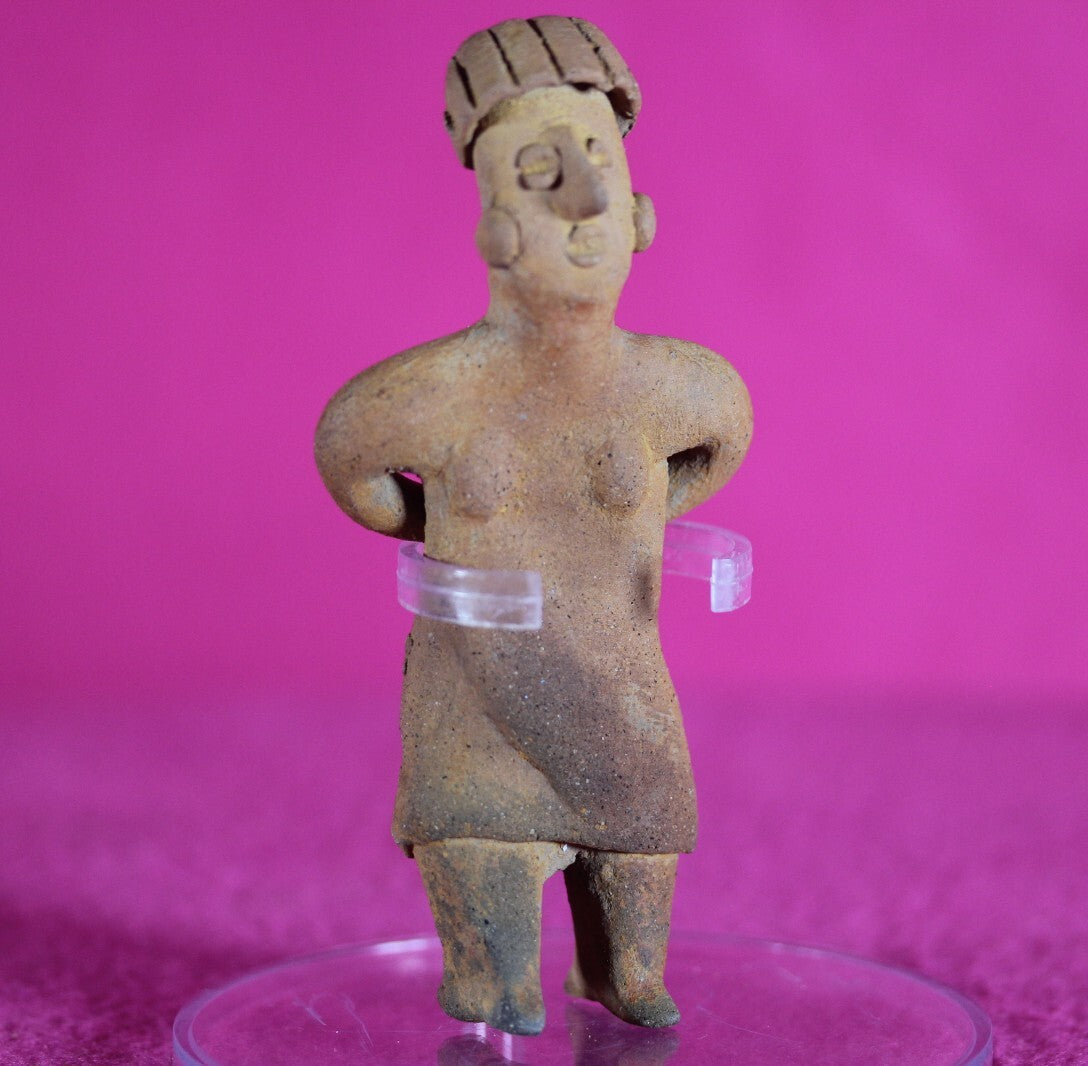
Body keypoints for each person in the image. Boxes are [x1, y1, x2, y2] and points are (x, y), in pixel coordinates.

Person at [315, 16, 751, 1036]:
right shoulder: (435, 393)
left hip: (618, 692)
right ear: (492, 224)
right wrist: (437, 523)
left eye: (599, 160)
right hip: (477, 698)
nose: (585, 199)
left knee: (638, 888)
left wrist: (632, 511)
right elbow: (349, 456)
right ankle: (493, 984)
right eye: (541, 171)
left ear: (640, 213)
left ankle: (616, 974)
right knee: (491, 933)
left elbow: (718, 443)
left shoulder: (678, 385)